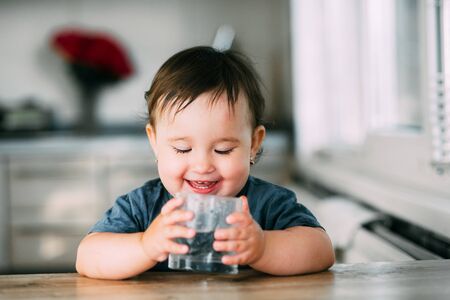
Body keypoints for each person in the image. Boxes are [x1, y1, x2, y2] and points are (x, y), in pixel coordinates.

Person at [76, 46, 335, 280]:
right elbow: (87, 257)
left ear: (253, 144)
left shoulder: (267, 204)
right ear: (154, 141)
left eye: (223, 150)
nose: (202, 165)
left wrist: (263, 246)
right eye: (183, 148)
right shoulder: (142, 207)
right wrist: (145, 245)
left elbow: (322, 250)